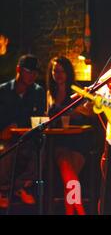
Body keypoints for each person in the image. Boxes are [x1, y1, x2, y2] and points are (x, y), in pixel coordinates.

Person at [0, 54, 46, 208]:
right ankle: (4, 190)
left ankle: (20, 187)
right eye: (29, 71)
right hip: (6, 138)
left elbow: (39, 119)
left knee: (40, 150)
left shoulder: (38, 92)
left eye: (35, 72)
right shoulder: (3, 91)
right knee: (6, 150)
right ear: (18, 69)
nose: (32, 75)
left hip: (28, 137)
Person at [46, 56, 91, 215]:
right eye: (55, 71)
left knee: (69, 179)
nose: (58, 75)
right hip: (59, 141)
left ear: (67, 73)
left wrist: (74, 113)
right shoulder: (50, 93)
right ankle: (79, 211)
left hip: (77, 140)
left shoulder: (76, 91)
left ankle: (71, 212)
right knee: (69, 175)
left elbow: (87, 113)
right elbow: (47, 116)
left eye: (61, 71)